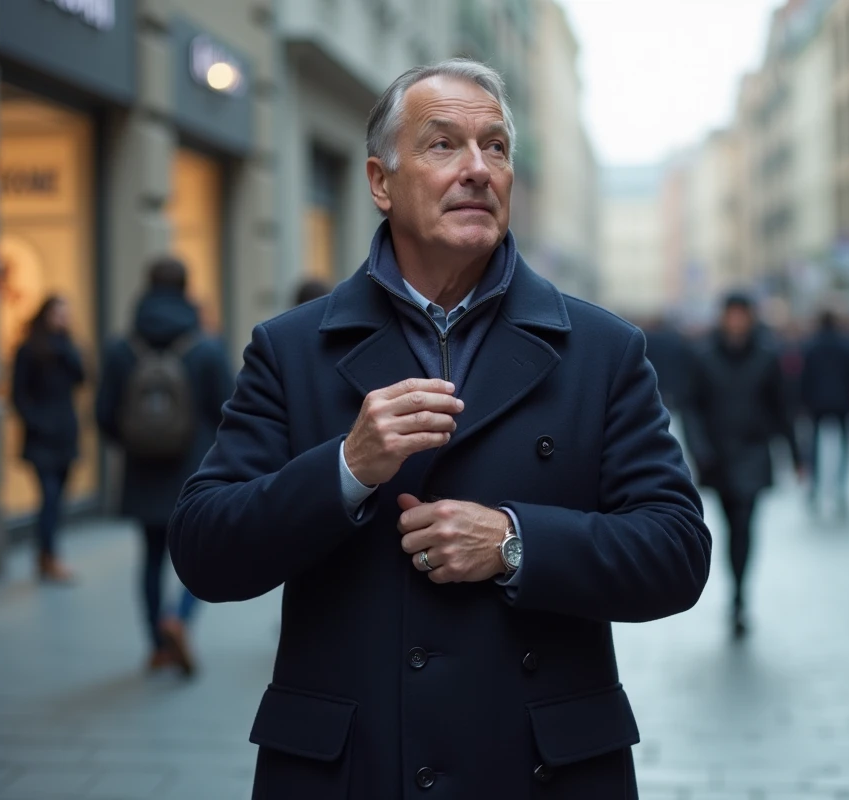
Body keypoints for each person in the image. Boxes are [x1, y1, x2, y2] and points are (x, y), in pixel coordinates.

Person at [168, 59, 711, 798]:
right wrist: (348, 468)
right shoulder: (293, 348)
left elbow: (678, 552)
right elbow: (204, 549)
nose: (478, 169)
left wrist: (516, 543)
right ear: (379, 182)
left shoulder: (601, 350)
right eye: (443, 145)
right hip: (355, 769)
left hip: (540, 767)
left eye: (496, 147)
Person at [95, 257, 233, 678]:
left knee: (151, 557)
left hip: (142, 470)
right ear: (186, 288)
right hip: (194, 470)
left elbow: (103, 414)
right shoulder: (205, 347)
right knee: (206, 554)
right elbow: (229, 409)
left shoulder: (122, 347)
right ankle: (179, 618)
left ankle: (156, 645)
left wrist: (136, 443)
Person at [684, 293, 803, 639]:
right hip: (718, 457)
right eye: (731, 315)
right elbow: (692, 408)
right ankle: (735, 587)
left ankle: (738, 593)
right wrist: (699, 449)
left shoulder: (767, 357)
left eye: (742, 315)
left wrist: (796, 455)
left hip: (752, 453)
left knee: (744, 524)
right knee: (729, 523)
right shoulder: (704, 357)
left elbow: (782, 408)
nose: (736, 322)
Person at [12, 295, 85, 583]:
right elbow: (18, 394)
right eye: (58, 313)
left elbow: (82, 378)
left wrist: (69, 349)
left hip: (65, 433)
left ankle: (45, 555)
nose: (63, 319)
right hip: (42, 437)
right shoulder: (28, 349)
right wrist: (37, 422)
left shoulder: (68, 348)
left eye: (66, 314)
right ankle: (49, 556)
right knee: (50, 497)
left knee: (58, 498)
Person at [800, 310, 849, 515]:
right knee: (844, 446)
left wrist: (803, 402)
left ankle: (814, 486)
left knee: (814, 446)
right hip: (843, 402)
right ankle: (841, 488)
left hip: (817, 402)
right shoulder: (847, 346)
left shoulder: (811, 346)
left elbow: (805, 377)